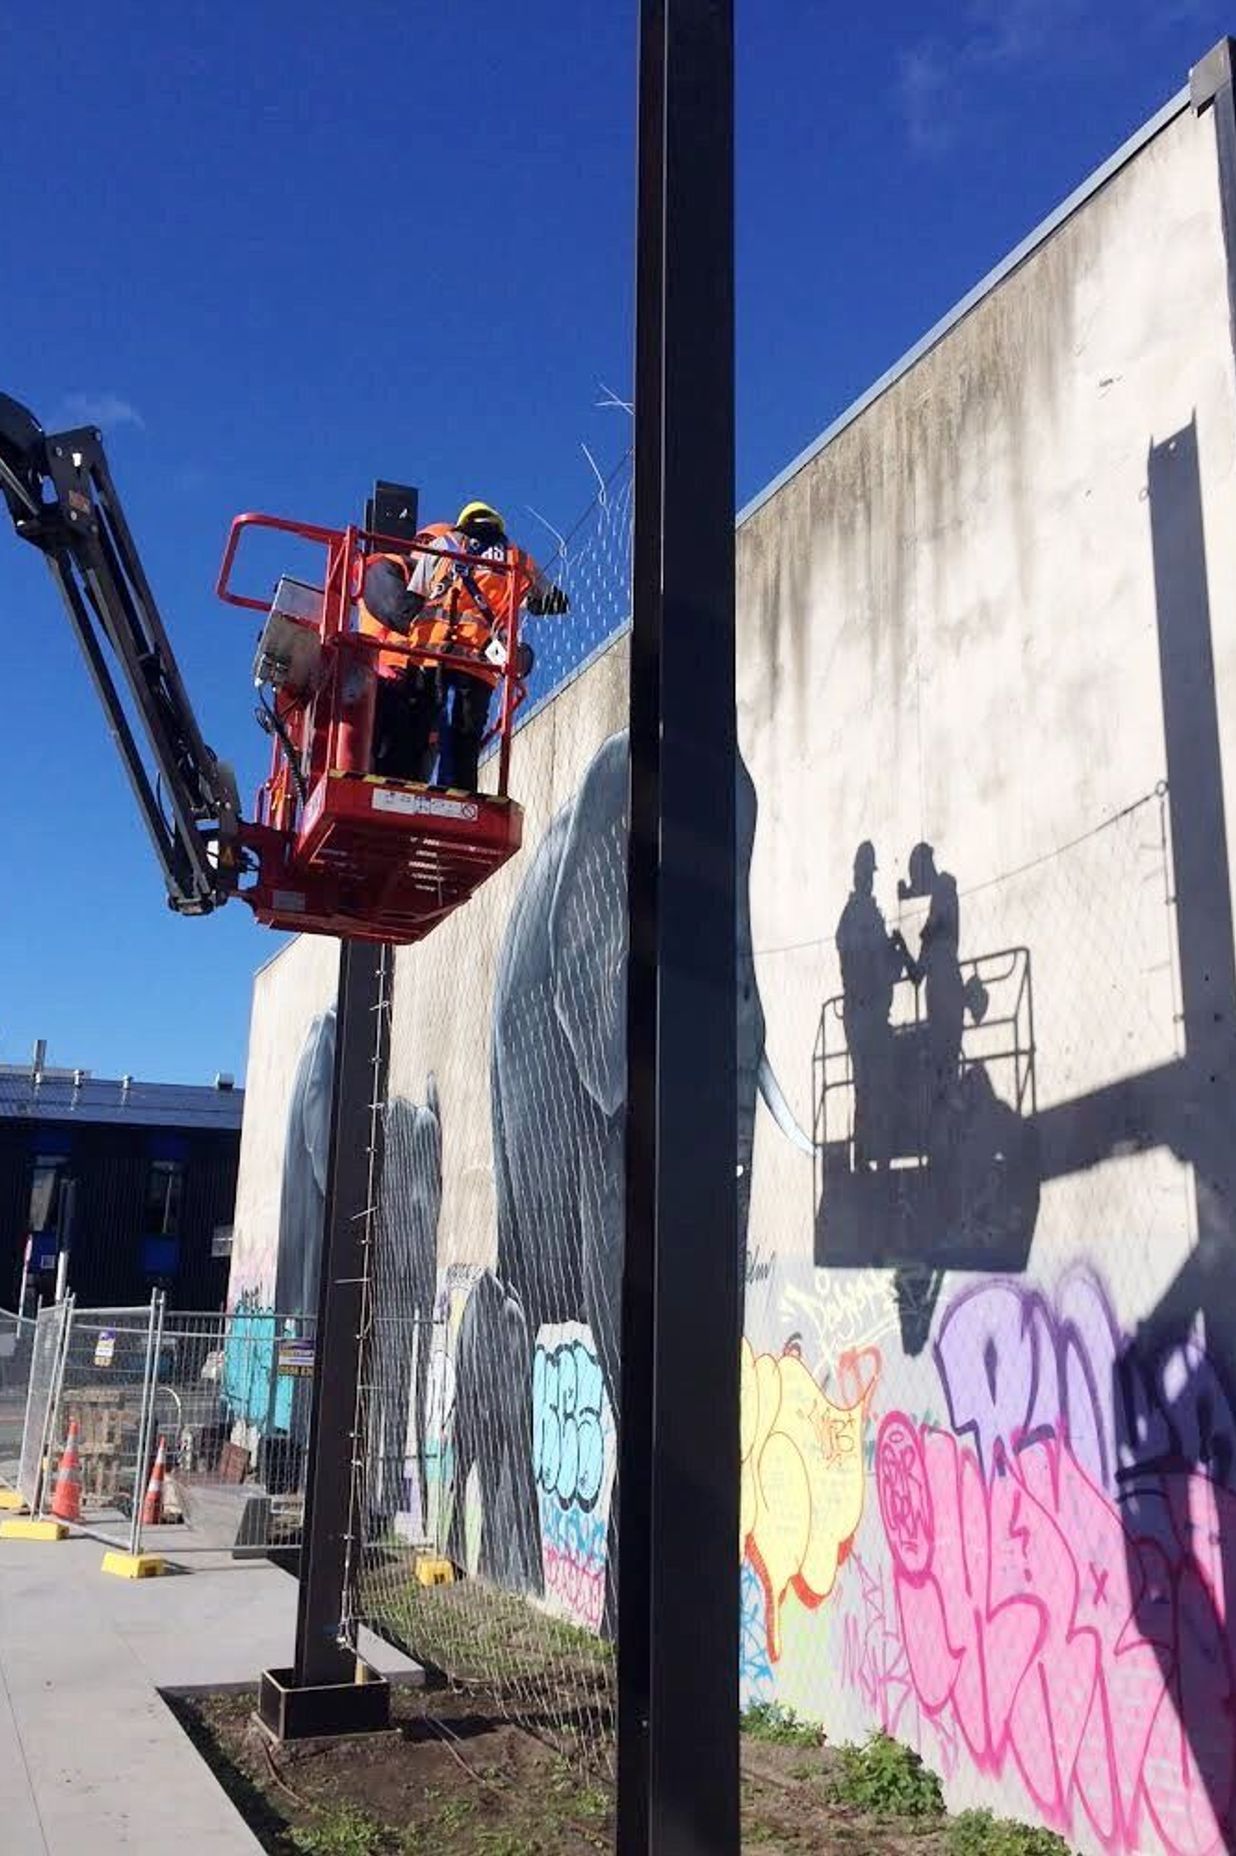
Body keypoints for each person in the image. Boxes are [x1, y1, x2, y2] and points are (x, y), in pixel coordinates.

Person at [359, 501, 568, 789]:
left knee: (411, 733)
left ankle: (396, 792)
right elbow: (553, 602)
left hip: (426, 657)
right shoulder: (517, 558)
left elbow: (413, 599)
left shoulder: (442, 545)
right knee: (462, 742)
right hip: (476, 664)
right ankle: (458, 797)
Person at [836, 841, 909, 1168]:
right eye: (866, 873)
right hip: (867, 1012)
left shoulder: (857, 914)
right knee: (873, 1086)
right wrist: (892, 951)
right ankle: (872, 1156)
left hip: (865, 1013)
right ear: (859, 875)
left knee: (868, 1087)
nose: (868, 879)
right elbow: (872, 966)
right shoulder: (859, 914)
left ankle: (869, 1155)